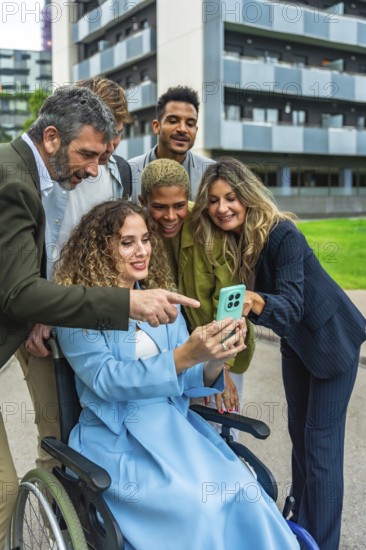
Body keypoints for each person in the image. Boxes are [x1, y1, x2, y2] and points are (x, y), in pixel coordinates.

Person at [0, 85, 199, 549]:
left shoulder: (34, 173)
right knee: (6, 495)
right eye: (87, 154)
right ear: (51, 138)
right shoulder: (16, 183)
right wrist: (125, 304)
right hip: (60, 319)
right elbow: (19, 291)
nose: (94, 168)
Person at [54, 199, 299, 550]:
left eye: (146, 240)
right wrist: (184, 356)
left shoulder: (161, 303)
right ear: (99, 249)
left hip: (173, 427)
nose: (142, 251)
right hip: (116, 438)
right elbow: (107, 381)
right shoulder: (80, 310)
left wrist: (216, 356)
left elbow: (190, 378)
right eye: (127, 242)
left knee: (244, 492)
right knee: (201, 509)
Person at [191, 156, 366, 550]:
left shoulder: (283, 235)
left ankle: (321, 543)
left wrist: (253, 300)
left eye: (231, 197)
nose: (222, 208)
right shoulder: (232, 239)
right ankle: (303, 528)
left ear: (248, 197)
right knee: (300, 441)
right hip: (297, 345)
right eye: (214, 201)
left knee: (321, 448)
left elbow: (290, 307)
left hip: (331, 339)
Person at [14, 76, 132, 480]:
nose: (110, 144)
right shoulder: (43, 177)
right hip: (46, 315)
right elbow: (30, 262)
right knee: (58, 433)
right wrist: (38, 315)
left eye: (118, 131)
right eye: (102, 134)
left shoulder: (119, 174)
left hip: (99, 320)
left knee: (99, 424)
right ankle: (59, 526)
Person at [139, 158, 255, 434]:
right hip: (176, 352)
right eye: (159, 207)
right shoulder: (137, 230)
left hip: (223, 345)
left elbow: (228, 302)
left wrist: (221, 365)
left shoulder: (210, 229)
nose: (170, 216)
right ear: (143, 201)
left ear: (188, 199)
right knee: (184, 430)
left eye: (179, 206)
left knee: (220, 427)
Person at [128, 85, 214, 203]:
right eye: (173, 121)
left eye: (190, 124)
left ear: (196, 130)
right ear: (156, 126)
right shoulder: (129, 172)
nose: (183, 129)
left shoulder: (211, 173)